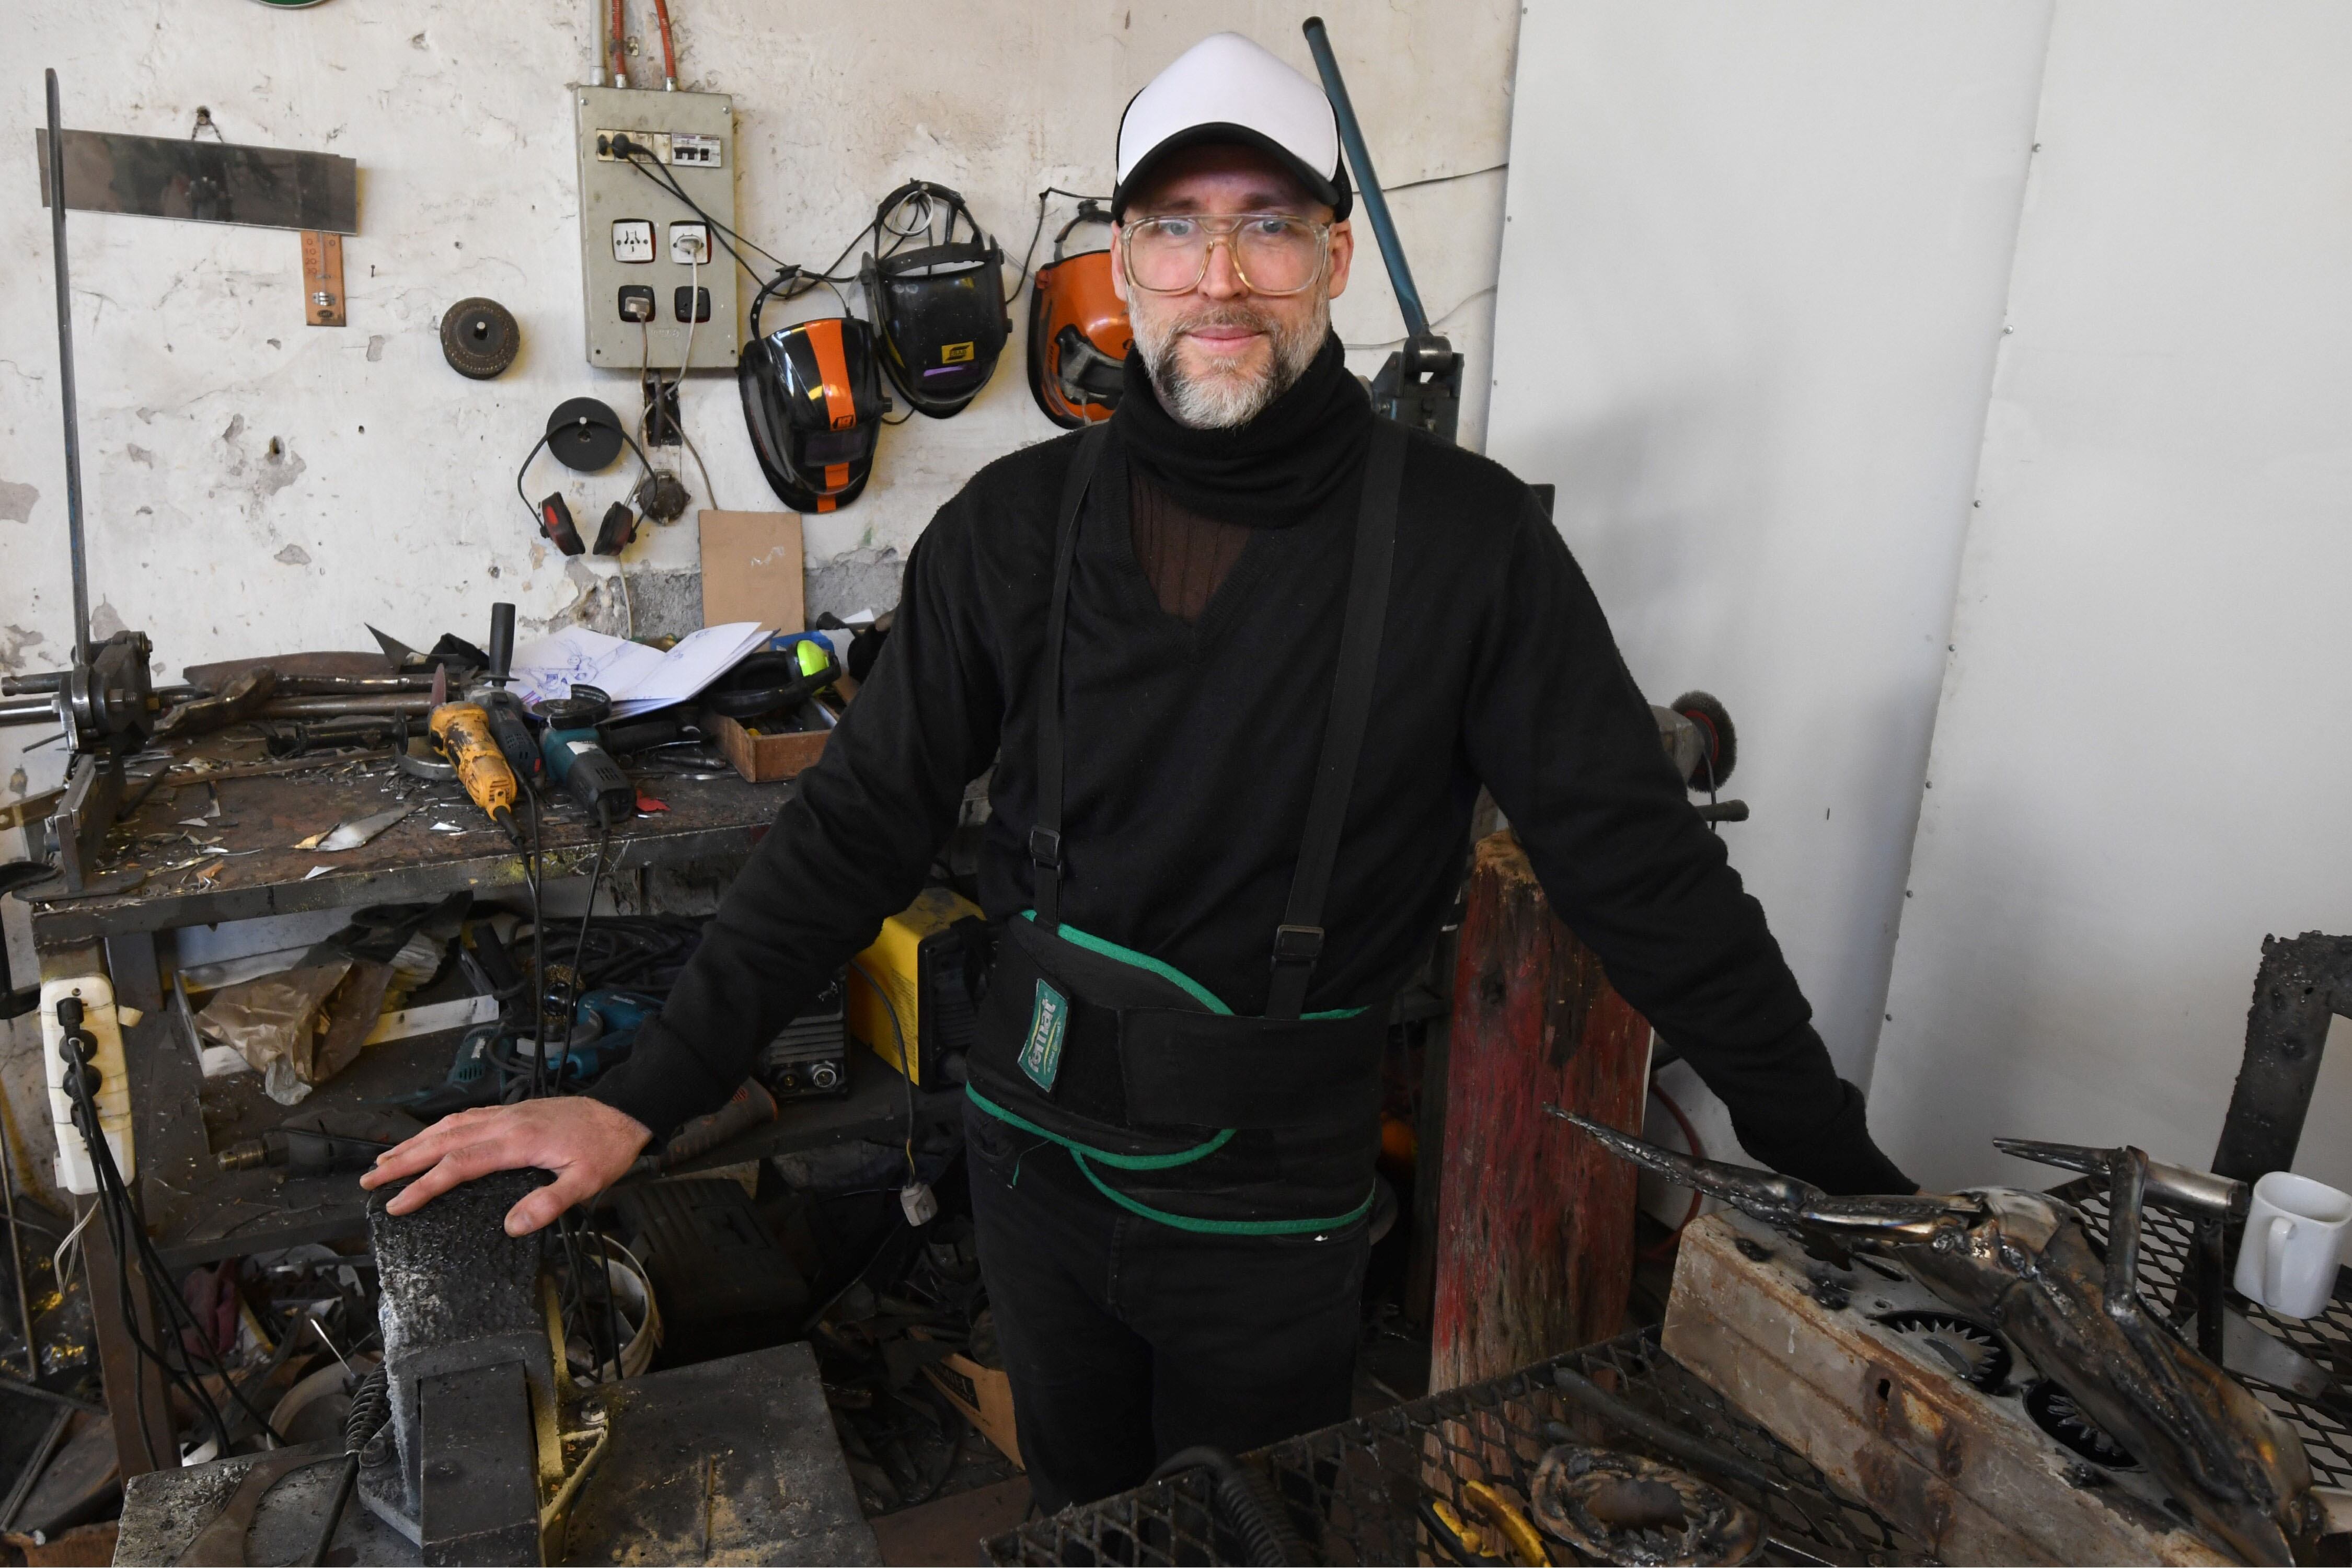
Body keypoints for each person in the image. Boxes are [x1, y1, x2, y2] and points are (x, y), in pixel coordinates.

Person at [364, 30, 1912, 1511]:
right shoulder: (1012, 530)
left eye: (1266, 227)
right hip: (1028, 1162)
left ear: (1335, 256)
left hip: (1268, 1200)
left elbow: (1639, 871)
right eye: (1177, 229)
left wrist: (1844, 1178)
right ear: (1122, 260)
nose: (1220, 277)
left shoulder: (1469, 545)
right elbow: (854, 827)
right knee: (1076, 1513)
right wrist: (641, 1096)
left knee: (1245, 1531)